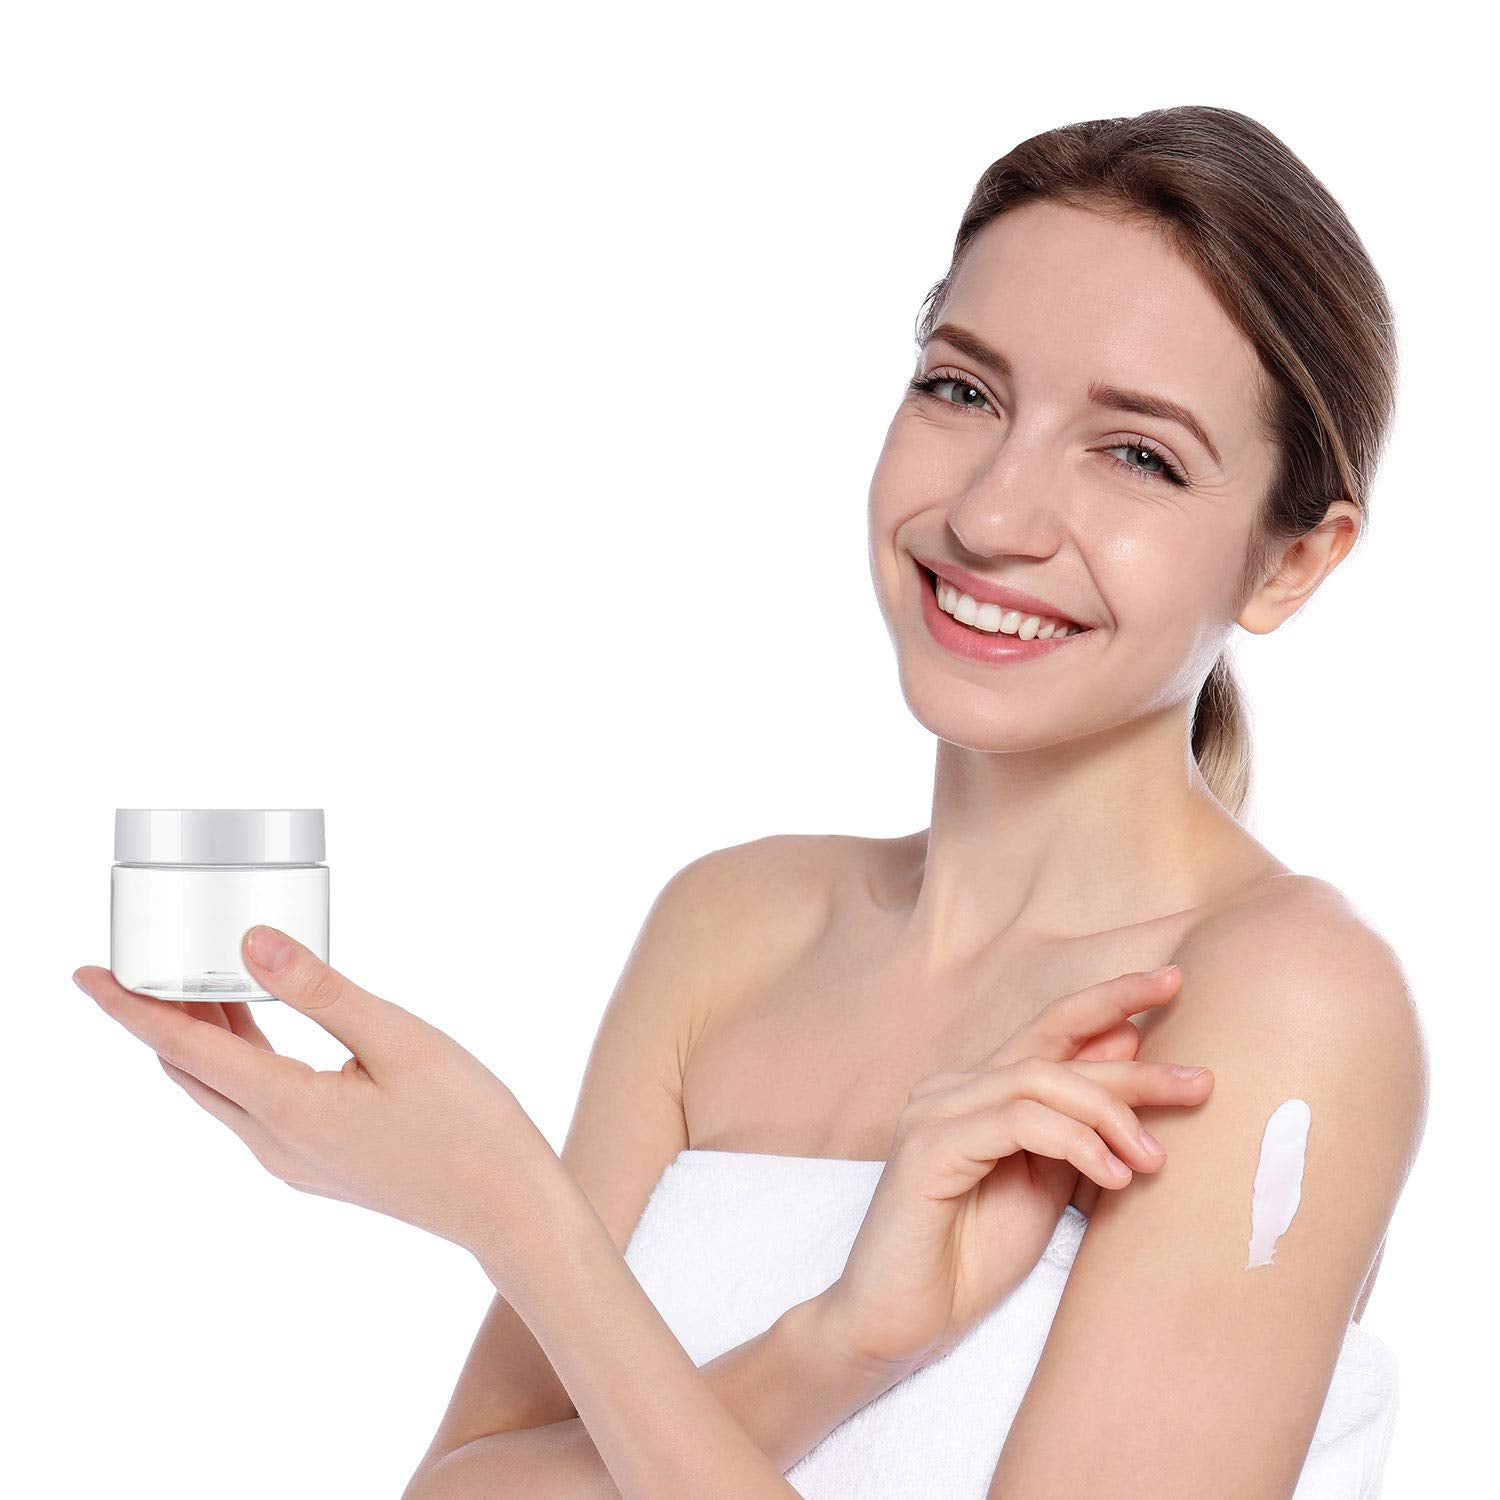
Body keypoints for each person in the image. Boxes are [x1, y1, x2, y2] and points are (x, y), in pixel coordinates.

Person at [75, 104, 1427, 1497]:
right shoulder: (736, 925)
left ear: (1293, 563)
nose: (990, 517)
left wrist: (517, 1215)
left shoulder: (1281, 1001)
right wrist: (839, 1344)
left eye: (1137, 454)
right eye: (962, 391)